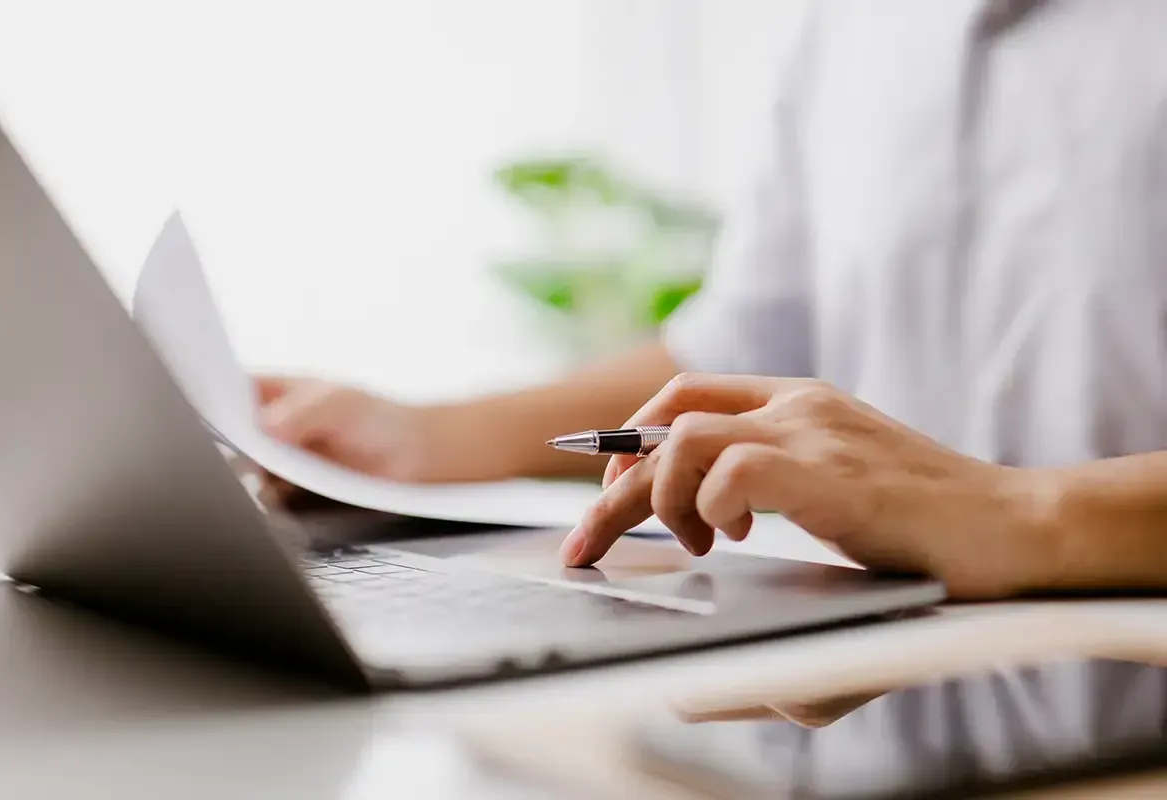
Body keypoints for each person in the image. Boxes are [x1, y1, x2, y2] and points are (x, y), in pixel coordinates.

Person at [254, 0, 1167, 597]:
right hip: (880, 699)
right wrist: (431, 441)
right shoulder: (853, 29)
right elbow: (736, 357)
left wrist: (1013, 513)